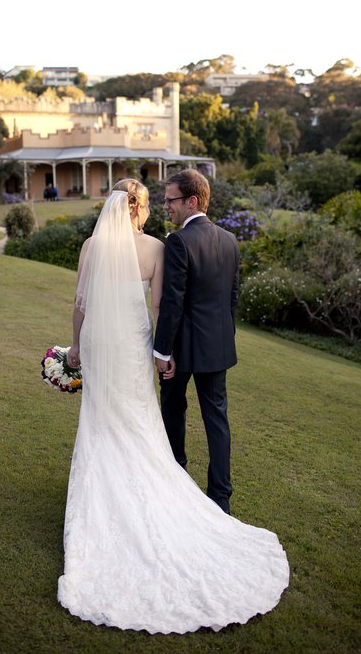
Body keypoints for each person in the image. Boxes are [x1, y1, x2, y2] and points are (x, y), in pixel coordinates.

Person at [58, 178, 289, 634]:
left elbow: (80, 304)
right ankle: (196, 490)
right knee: (152, 421)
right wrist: (160, 350)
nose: (162, 209)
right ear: (139, 209)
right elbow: (163, 305)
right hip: (140, 346)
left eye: (172, 200)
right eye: (155, 204)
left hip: (100, 346)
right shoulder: (163, 249)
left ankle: (120, 489)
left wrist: (74, 347)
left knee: (104, 419)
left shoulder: (90, 246)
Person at [154, 169, 238, 514]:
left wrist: (162, 351)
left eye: (170, 200)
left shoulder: (179, 241)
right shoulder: (230, 240)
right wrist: (222, 338)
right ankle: (221, 497)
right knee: (217, 419)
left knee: (173, 410)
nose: (165, 207)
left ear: (192, 201)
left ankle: (177, 480)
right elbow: (232, 298)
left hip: (183, 350)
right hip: (217, 347)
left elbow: (173, 300)